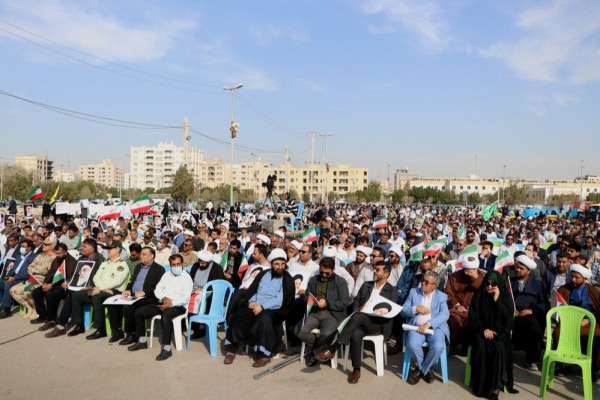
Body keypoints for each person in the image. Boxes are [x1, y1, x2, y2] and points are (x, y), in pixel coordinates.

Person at [315, 261, 397, 384]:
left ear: (386, 274)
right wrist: (358, 311)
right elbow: (356, 303)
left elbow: (390, 313)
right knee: (355, 333)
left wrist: (373, 313)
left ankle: (334, 347)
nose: (374, 271)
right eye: (375, 269)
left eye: (378, 270)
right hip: (360, 321)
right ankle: (356, 370)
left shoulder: (392, 291)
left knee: (358, 317)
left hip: (378, 324)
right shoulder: (366, 285)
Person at [224, 248, 295, 367]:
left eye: (282, 264)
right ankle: (231, 349)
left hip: (275, 309)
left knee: (265, 317)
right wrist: (252, 301)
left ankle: (264, 354)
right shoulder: (263, 274)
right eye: (277, 264)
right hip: (257, 305)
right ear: (271, 264)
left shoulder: (287, 279)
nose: (280, 267)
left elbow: (280, 300)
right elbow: (254, 290)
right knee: (240, 313)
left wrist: (262, 307)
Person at [128, 254, 193, 360]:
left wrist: (170, 304)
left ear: (182, 264)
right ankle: (142, 340)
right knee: (139, 311)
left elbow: (185, 298)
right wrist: (164, 299)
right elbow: (157, 290)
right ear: (170, 265)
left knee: (166, 316)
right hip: (163, 302)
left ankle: (167, 348)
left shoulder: (187, 277)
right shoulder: (167, 275)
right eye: (173, 265)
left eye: (178, 264)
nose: (176, 267)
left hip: (178, 306)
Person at [62, 241, 129, 340]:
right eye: (107, 248)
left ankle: (100, 329)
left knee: (97, 297)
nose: (108, 250)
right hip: (101, 289)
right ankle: (79, 325)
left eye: (111, 248)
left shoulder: (121, 265)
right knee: (77, 295)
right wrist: (100, 287)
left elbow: (117, 281)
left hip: (113, 292)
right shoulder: (105, 262)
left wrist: (100, 288)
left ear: (118, 250)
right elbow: (96, 277)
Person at [468, 271, 519, 400]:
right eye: (487, 283)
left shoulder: (506, 298)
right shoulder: (479, 296)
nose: (490, 287)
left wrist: (497, 301)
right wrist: (484, 329)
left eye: (493, 284)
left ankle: (496, 387)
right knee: (480, 345)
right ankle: (480, 385)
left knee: (499, 348)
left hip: (500, 333)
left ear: (499, 285)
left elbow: (508, 322)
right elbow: (473, 318)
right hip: (481, 331)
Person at [107, 247, 165, 346]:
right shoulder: (138, 266)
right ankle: (118, 330)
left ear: (152, 256)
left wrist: (145, 292)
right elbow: (132, 281)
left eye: (144, 254)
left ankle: (132, 333)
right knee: (112, 302)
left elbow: (160, 288)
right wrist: (129, 289)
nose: (141, 256)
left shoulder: (159, 269)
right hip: (133, 295)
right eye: (141, 254)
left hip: (148, 297)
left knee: (129, 306)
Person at [298, 257, 349, 367]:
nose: (324, 275)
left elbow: (344, 304)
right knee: (300, 331)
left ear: (333, 270)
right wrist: (312, 301)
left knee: (326, 334)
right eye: (322, 273)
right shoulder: (313, 280)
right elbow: (306, 296)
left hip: (332, 314)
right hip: (315, 312)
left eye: (327, 273)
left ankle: (314, 353)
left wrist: (327, 303)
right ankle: (322, 348)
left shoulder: (341, 282)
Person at [401, 271, 450, 385]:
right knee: (412, 344)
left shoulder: (441, 296)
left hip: (435, 328)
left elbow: (445, 314)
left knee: (438, 347)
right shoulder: (414, 292)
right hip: (416, 327)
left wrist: (428, 324)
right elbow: (403, 310)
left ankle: (420, 369)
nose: (423, 283)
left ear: (434, 286)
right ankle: (426, 369)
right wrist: (415, 308)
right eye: (423, 280)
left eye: (426, 282)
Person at [555, 264, 600, 381]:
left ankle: (593, 367)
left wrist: (588, 319)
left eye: (577, 277)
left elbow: (597, 309)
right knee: (558, 332)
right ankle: (565, 364)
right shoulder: (564, 289)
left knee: (597, 335)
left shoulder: (593, 291)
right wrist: (570, 320)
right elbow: (559, 309)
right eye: (572, 276)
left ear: (584, 278)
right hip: (568, 321)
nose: (573, 279)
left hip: (588, 322)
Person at [510, 254, 546, 371]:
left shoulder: (537, 284)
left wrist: (531, 311)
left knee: (535, 329)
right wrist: (509, 308)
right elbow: (503, 299)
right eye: (517, 267)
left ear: (529, 271)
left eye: (521, 268)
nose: (518, 270)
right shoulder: (509, 282)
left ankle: (532, 360)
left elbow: (543, 303)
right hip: (512, 313)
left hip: (530, 314)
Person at [30, 243, 78, 328]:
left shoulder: (72, 261)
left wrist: (51, 286)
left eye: (59, 253)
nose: (57, 255)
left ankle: (51, 320)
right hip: (53, 284)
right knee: (36, 292)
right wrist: (45, 283)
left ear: (65, 252)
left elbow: (69, 277)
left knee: (51, 294)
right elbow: (50, 273)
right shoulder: (56, 260)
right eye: (56, 253)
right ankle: (43, 316)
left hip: (64, 286)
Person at [445, 254, 485, 354]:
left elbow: (486, 294)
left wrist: (476, 278)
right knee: (452, 318)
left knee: (472, 320)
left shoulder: (483, 277)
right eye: (467, 269)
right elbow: (448, 294)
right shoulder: (455, 276)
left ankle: (466, 346)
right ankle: (453, 345)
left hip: (476, 310)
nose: (468, 272)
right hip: (457, 309)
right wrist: (457, 305)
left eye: (471, 269)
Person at [9, 236, 56, 319]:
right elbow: (29, 267)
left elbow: (44, 270)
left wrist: (35, 269)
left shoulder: (54, 257)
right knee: (13, 290)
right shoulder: (40, 255)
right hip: (31, 278)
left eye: (47, 244)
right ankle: (29, 308)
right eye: (44, 244)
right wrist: (35, 269)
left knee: (28, 291)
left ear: (52, 246)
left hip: (41, 279)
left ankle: (36, 310)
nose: (44, 245)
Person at [0, 239, 37, 318]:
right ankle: (3, 304)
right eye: (21, 246)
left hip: (23, 279)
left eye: (23, 247)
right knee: (2, 282)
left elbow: (28, 273)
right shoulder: (20, 256)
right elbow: (13, 269)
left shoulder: (33, 257)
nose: (21, 248)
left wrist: (14, 278)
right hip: (14, 277)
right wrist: (8, 277)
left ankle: (7, 309)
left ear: (29, 248)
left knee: (8, 285)